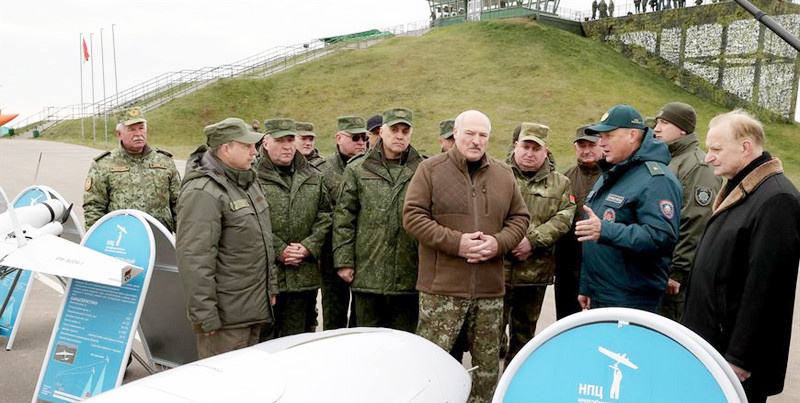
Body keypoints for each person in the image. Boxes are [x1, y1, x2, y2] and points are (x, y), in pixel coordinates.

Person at [403, 110, 529, 402]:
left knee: (486, 370)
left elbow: (520, 218)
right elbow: (412, 216)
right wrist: (457, 243)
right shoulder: (430, 170)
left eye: (483, 135)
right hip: (441, 291)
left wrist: (498, 244)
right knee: (432, 366)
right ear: (455, 134)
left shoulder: (503, 174)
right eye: (470, 133)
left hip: (488, 292)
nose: (476, 140)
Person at [682, 110, 800, 403]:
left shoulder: (777, 198)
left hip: (734, 362)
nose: (708, 158)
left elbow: (767, 288)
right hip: (712, 347)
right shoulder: (740, 187)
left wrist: (740, 357)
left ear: (745, 147)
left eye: (716, 149)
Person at [176, 117, 277, 359]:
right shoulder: (203, 192)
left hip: (253, 309)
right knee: (224, 380)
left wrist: (270, 287)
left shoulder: (247, 182)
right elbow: (195, 259)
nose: (254, 152)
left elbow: (263, 241)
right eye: (247, 146)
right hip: (225, 320)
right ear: (226, 149)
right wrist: (204, 315)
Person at [575, 104, 682, 312]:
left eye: (608, 136)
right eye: (601, 136)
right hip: (601, 292)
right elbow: (592, 239)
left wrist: (605, 230)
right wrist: (587, 286)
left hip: (631, 299)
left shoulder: (656, 179)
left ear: (632, 135)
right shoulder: (613, 173)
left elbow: (660, 237)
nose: (601, 143)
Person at [333, 108, 423, 332]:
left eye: (405, 131)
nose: (399, 136)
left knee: (404, 341)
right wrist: (344, 261)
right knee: (367, 339)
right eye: (394, 130)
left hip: (409, 273)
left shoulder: (423, 169)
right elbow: (344, 217)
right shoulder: (358, 168)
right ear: (382, 132)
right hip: (368, 273)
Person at [502, 122, 574, 366]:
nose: (530, 153)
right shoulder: (497, 174)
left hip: (534, 275)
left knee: (524, 337)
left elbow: (564, 218)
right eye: (525, 147)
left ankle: (516, 380)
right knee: (490, 334)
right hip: (497, 271)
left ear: (546, 151)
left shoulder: (560, 183)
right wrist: (507, 241)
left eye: (536, 148)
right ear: (516, 146)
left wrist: (531, 241)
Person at [256, 118, 332, 338]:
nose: (287, 146)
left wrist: (308, 246)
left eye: (290, 140)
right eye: (280, 141)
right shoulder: (252, 177)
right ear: (266, 142)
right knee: (264, 342)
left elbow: (325, 215)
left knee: (298, 341)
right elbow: (249, 222)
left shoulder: (313, 176)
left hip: (302, 277)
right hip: (266, 278)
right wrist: (278, 249)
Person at [653, 102, 721, 322]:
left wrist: (677, 271)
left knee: (670, 329)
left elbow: (695, 221)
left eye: (664, 123)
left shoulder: (698, 165)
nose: (657, 128)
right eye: (657, 122)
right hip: (658, 268)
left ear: (682, 129)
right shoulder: (669, 159)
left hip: (674, 276)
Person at [83, 107, 181, 232]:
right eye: (131, 129)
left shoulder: (164, 161)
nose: (138, 134)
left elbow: (179, 204)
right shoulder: (103, 164)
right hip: (123, 238)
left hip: (160, 237)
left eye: (141, 128)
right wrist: (98, 239)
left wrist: (185, 239)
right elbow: (93, 207)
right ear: (119, 134)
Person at [319, 115, 368, 330]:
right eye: (355, 138)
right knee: (334, 314)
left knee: (362, 317)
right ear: (339, 138)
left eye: (364, 138)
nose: (361, 143)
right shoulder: (323, 170)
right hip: (331, 253)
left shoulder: (369, 167)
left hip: (364, 252)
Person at [554, 125, 602, 320]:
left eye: (591, 145)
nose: (586, 150)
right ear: (575, 148)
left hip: (600, 266)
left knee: (599, 321)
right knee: (566, 321)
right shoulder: (564, 178)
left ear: (602, 145)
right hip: (567, 265)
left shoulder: (613, 176)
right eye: (582, 145)